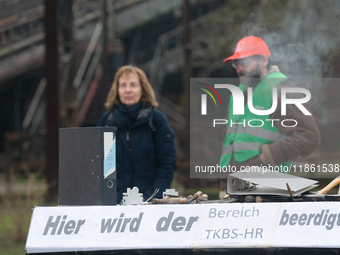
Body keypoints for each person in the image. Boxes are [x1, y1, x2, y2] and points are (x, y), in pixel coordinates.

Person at [219, 36, 321, 197]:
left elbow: (309, 137)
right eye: (236, 63)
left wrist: (265, 157)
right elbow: (229, 139)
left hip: (267, 190)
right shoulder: (237, 94)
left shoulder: (282, 89)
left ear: (264, 60)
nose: (239, 69)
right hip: (230, 188)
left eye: (244, 62)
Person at [97, 65, 176, 203]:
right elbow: (96, 164)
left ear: (142, 89)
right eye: (123, 85)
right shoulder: (106, 121)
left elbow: (167, 162)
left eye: (133, 85)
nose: (128, 90)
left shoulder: (156, 119)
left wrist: (155, 197)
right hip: (112, 205)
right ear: (117, 90)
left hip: (149, 203)